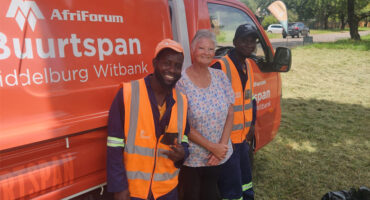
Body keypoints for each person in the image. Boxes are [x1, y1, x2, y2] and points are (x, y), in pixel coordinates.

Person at [106, 39, 190, 200]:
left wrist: (183, 153)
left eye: (177, 66)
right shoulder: (127, 94)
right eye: (167, 63)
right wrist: (119, 187)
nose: (172, 70)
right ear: (154, 63)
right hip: (133, 191)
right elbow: (114, 145)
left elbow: (184, 138)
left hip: (167, 190)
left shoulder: (182, 102)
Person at [176, 29, 234, 200]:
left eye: (210, 49)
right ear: (193, 51)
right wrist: (212, 147)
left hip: (217, 157)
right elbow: (183, 123)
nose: (206, 53)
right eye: (202, 48)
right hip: (193, 159)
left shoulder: (220, 76)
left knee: (212, 194)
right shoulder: (181, 82)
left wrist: (221, 147)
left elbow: (230, 112)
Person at [211, 23, 258, 200]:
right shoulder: (220, 67)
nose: (249, 45)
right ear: (235, 42)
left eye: (253, 41)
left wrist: (252, 124)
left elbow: (251, 100)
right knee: (231, 188)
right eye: (245, 40)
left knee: (246, 182)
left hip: (243, 140)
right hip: (227, 142)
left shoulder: (249, 66)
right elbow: (213, 108)